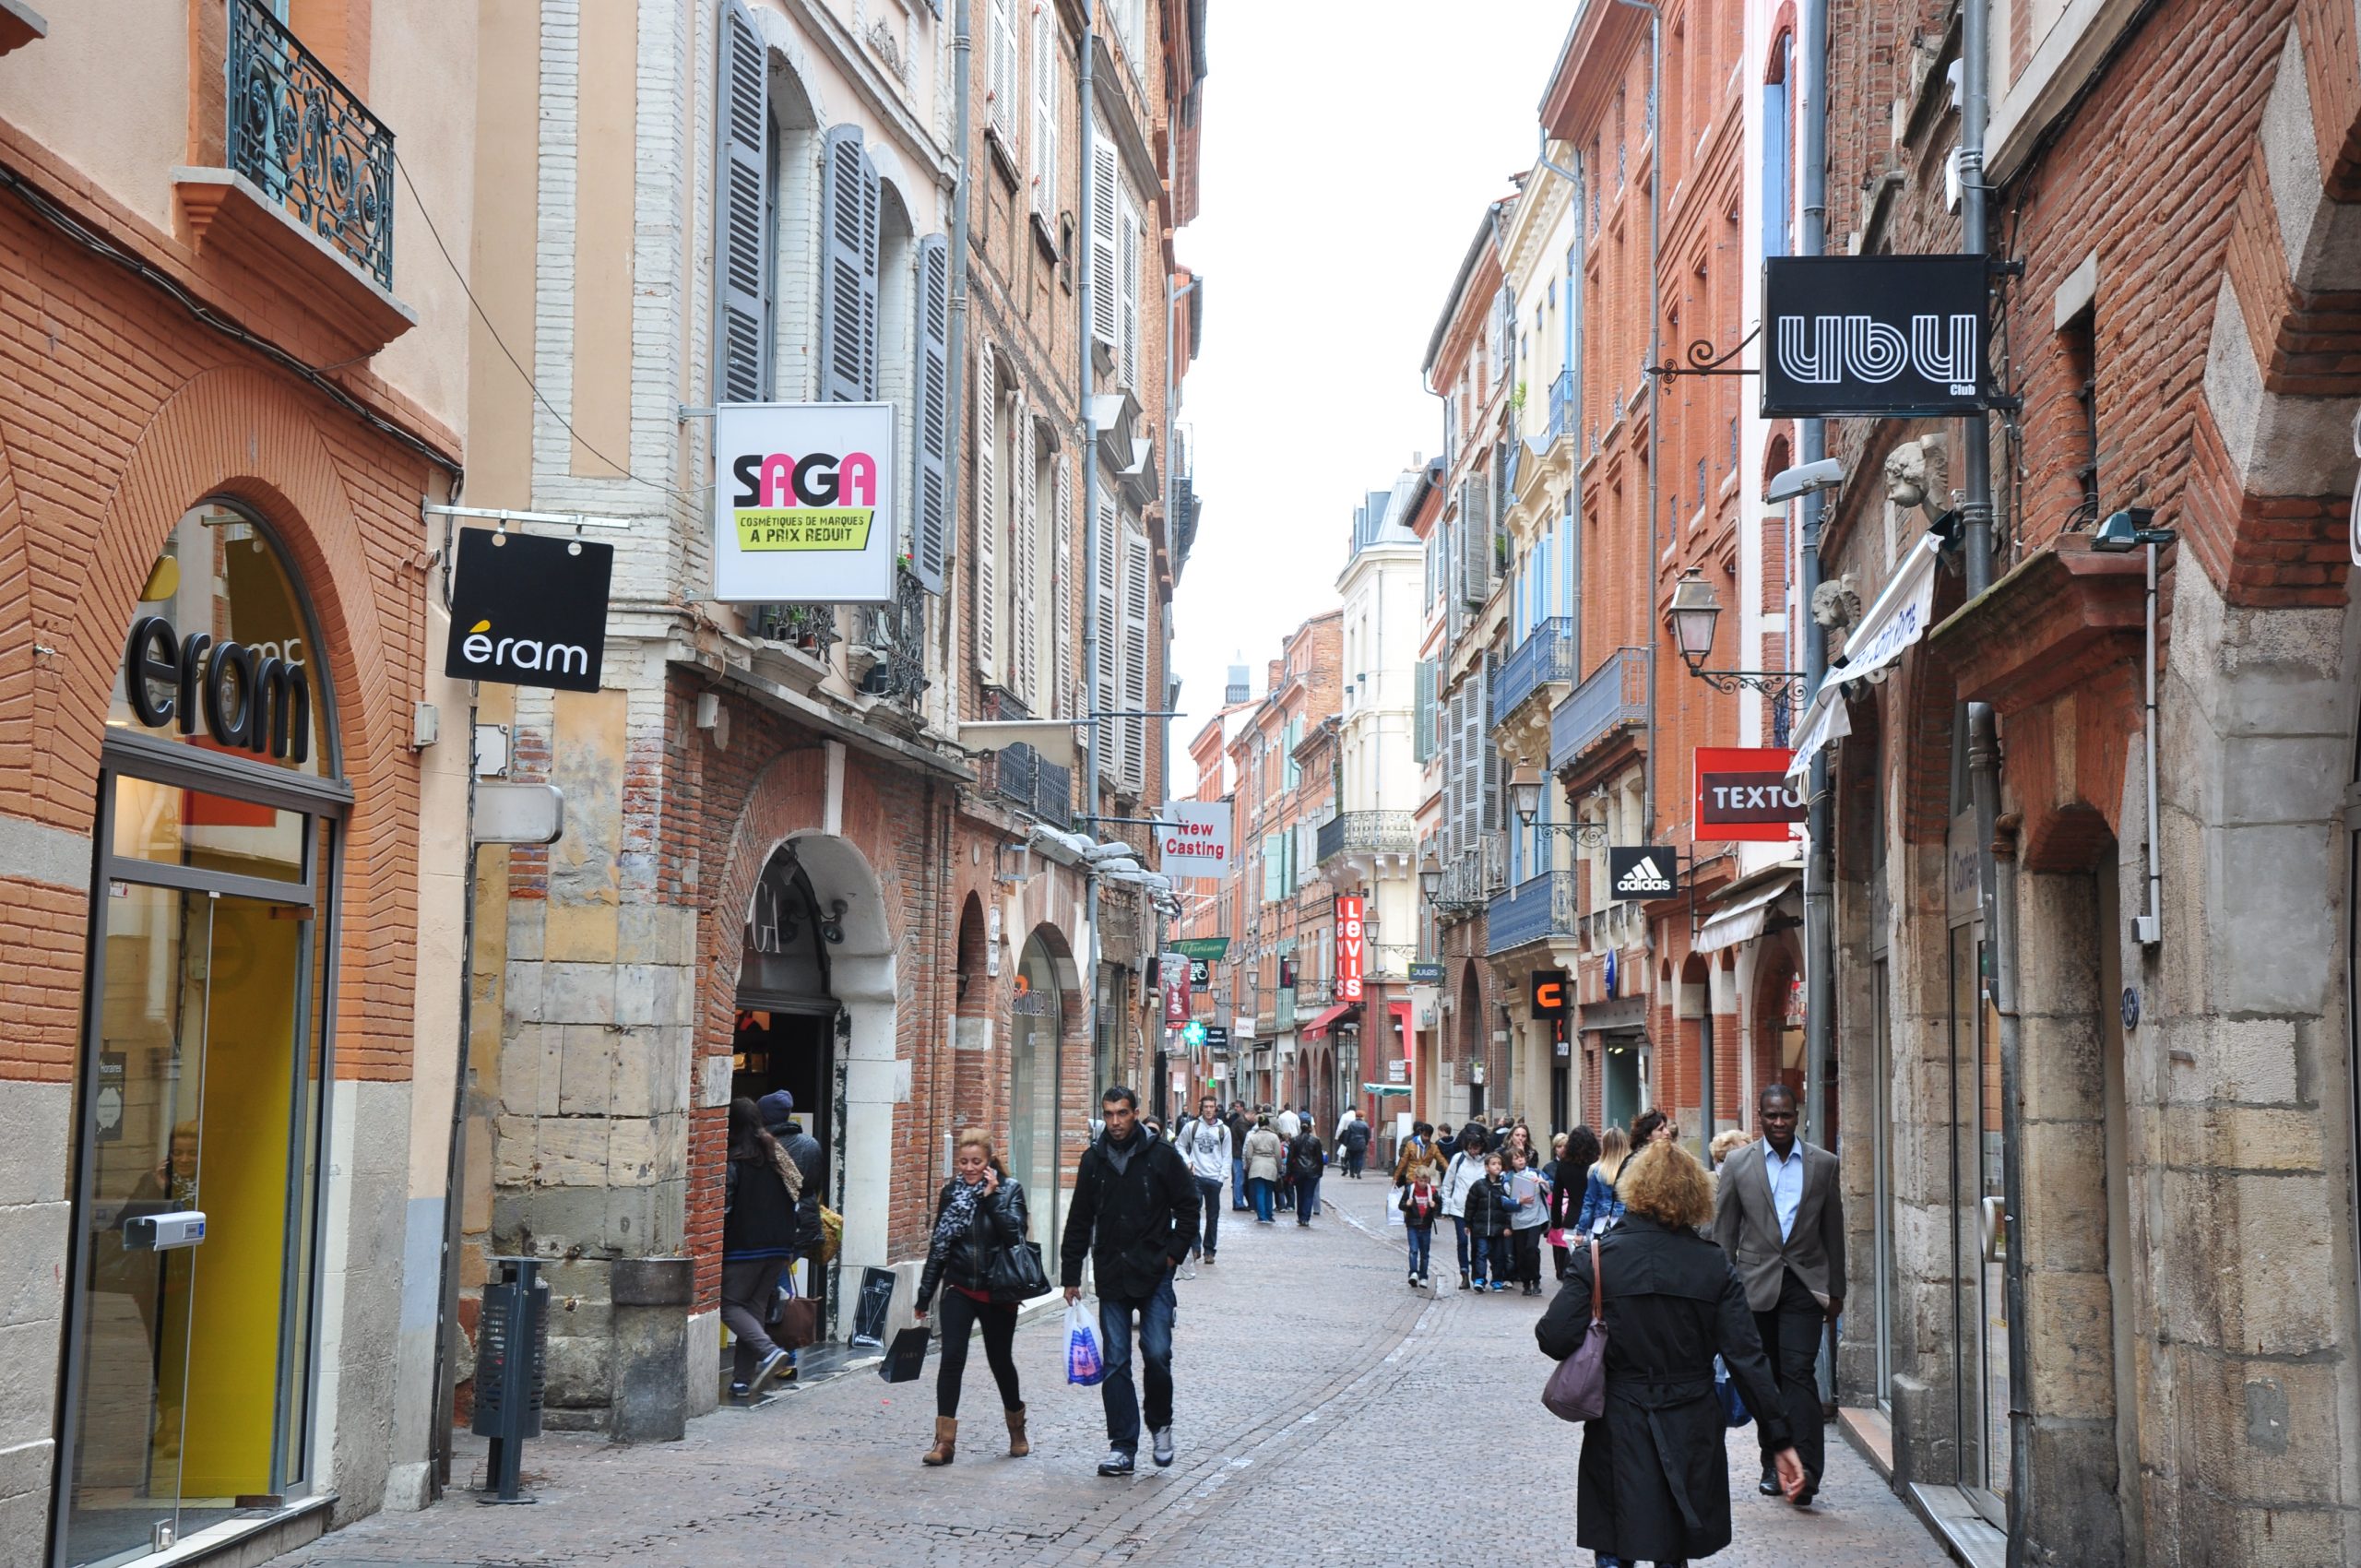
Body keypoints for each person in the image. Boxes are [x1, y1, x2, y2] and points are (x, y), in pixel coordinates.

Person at [1537, 1141, 1807, 1565]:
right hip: (1691, 1417)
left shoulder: (1598, 1260)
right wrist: (1780, 1439)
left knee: (1614, 1535)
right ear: (1696, 1198)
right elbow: (1748, 1359)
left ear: (1634, 1190)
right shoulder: (1713, 1266)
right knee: (1675, 1537)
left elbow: (1553, 1337)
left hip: (1620, 1416)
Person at [1713, 1083, 1846, 1505]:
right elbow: (1724, 1235)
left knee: (1798, 1374)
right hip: (1754, 1288)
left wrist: (1836, 1291)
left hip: (1805, 1285)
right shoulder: (1738, 1164)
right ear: (1761, 1117)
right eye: (1771, 1115)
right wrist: (1722, 1292)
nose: (1779, 1122)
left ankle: (1807, 1470)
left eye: (1786, 1115)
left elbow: (1833, 1232)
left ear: (1797, 1115)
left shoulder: (1823, 1165)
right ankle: (1773, 1461)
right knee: (1764, 1379)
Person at [1061, 1086, 1200, 1477]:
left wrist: (1172, 1253)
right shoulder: (1094, 1160)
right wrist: (1071, 1273)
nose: (1115, 1122)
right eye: (1108, 1114)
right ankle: (1122, 1445)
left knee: (1157, 1353)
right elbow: (1079, 1220)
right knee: (1116, 1361)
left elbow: (1189, 1205)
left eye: (1122, 1113)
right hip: (1112, 1274)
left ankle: (1160, 1425)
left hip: (1155, 1272)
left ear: (1135, 1113)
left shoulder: (1160, 1156)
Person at [911, 1129, 1031, 1466]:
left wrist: (991, 1198)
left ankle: (1017, 1428)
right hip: (959, 1287)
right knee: (952, 1358)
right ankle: (944, 1442)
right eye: (963, 1162)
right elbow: (939, 1246)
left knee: (1000, 1361)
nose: (969, 1168)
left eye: (976, 1161)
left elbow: (1015, 1237)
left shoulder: (1010, 1190)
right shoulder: (952, 1193)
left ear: (990, 1161)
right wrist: (924, 1295)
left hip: (997, 1291)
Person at [720, 1097, 801, 1398]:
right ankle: (741, 1381)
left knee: (729, 1305)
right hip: (778, 1246)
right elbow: (797, 1194)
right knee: (752, 1312)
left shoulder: (735, 1159)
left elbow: (725, 1208)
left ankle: (768, 1352)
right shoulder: (776, 1154)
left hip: (746, 1246)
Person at [1176, 1095, 1230, 1269]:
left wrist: (1222, 1177)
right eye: (1205, 1107)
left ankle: (1209, 1250)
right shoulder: (1192, 1127)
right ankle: (1195, 1246)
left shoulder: (1224, 1131)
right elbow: (1179, 1145)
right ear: (1201, 1108)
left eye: (1211, 1107)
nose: (1208, 1110)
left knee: (1213, 1216)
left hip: (1214, 1178)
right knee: (1193, 1212)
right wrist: (1188, 1162)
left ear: (1216, 1109)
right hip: (1196, 1177)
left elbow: (1227, 1155)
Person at [1439, 1123, 1489, 1289]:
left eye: (1477, 1147)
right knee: (1462, 1241)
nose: (1474, 1150)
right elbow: (1448, 1184)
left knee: (1477, 1243)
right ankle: (1464, 1273)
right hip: (1460, 1208)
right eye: (1471, 1147)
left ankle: (1476, 1272)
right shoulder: (1458, 1159)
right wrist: (1446, 1207)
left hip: (1479, 1210)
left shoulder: (1487, 1162)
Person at [1550, 1125, 1602, 1278]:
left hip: (1572, 1220)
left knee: (1578, 1264)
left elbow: (1557, 1196)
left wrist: (1556, 1222)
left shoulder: (1563, 1165)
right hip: (1595, 1221)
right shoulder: (1596, 1166)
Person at [1464, 1150, 1514, 1291]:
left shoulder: (1504, 1186)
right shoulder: (1478, 1185)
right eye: (1493, 1164)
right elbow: (1470, 1205)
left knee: (1498, 1256)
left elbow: (1509, 1209)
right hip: (1481, 1227)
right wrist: (1467, 1223)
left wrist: (1508, 1226)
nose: (1497, 1166)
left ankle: (1497, 1280)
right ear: (1486, 1167)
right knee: (1481, 1253)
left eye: (1499, 1164)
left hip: (1498, 1228)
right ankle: (1480, 1278)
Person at [1505, 1144, 1550, 1295]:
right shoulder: (1508, 1179)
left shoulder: (1535, 1173)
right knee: (1521, 1252)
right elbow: (1505, 1202)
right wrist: (1519, 1201)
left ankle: (1536, 1279)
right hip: (1518, 1221)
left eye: (1522, 1157)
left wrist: (1543, 1182)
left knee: (1532, 1248)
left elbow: (1550, 1188)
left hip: (1535, 1218)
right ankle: (1525, 1282)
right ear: (1511, 1162)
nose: (1521, 1161)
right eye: (1516, 1158)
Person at [1397, 1161, 1442, 1287]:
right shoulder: (1410, 1190)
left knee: (1425, 1253)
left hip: (1426, 1226)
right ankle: (1413, 1273)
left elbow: (1439, 1208)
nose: (1423, 1183)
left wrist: (1434, 1206)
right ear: (1416, 1179)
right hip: (1413, 1225)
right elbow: (1401, 1205)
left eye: (1426, 1181)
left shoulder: (1432, 1192)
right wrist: (1407, 1204)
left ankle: (1423, 1276)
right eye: (1421, 1181)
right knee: (1413, 1250)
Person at [1578, 1126, 1630, 1236]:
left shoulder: (1596, 1170)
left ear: (1605, 1145)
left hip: (1601, 1226)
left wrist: (1581, 1231)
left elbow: (1589, 1203)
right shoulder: (1632, 1169)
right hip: (1626, 1226)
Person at [1242, 1114, 1284, 1224]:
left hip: (1256, 1165)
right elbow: (1278, 1155)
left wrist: (1248, 1166)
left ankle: (1261, 1216)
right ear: (1268, 1124)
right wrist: (1279, 1168)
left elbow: (1249, 1155)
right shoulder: (1274, 1137)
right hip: (1270, 1165)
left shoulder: (1253, 1137)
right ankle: (1269, 1215)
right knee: (1269, 1191)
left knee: (1259, 1192)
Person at [1286, 1119, 1325, 1225]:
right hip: (1312, 1172)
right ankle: (1306, 1218)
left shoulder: (1294, 1140)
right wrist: (1320, 1172)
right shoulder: (1315, 1141)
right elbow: (1319, 1158)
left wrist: (1288, 1173)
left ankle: (1300, 1216)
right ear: (1310, 1128)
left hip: (1298, 1171)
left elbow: (1290, 1159)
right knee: (1309, 1195)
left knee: (1300, 1194)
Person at [1226, 1101, 1254, 1211]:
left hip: (1238, 1153)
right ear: (1251, 1114)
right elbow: (1246, 1139)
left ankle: (1239, 1202)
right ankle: (1238, 1203)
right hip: (1238, 1154)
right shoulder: (1241, 1123)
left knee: (1239, 1179)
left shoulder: (1242, 1122)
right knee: (1239, 1180)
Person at [1392, 1121, 1438, 1185]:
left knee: (1409, 1192)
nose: (1427, 1138)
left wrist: (1396, 1177)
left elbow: (1401, 1155)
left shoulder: (1407, 1139)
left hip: (1411, 1174)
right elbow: (1403, 1159)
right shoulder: (1410, 1142)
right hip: (1414, 1176)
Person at [1338, 1111, 1370, 1179]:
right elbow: (1368, 1136)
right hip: (1361, 1143)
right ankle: (1358, 1173)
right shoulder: (1365, 1125)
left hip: (1351, 1144)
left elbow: (1347, 1135)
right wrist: (1366, 1143)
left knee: (1351, 1158)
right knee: (1360, 1158)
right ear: (1362, 1117)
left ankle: (1352, 1173)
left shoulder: (1351, 1124)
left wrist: (1345, 1143)